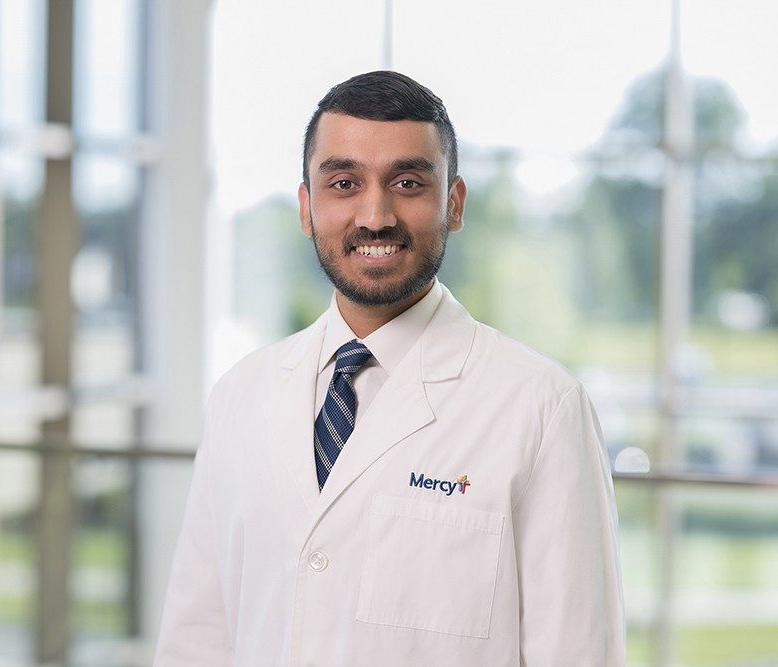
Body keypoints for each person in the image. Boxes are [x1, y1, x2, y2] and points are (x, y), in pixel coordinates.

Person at [155, 71, 624, 665]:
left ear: (453, 204)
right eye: (344, 183)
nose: (374, 216)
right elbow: (197, 639)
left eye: (407, 182)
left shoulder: (541, 409)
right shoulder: (239, 396)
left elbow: (576, 652)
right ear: (307, 207)